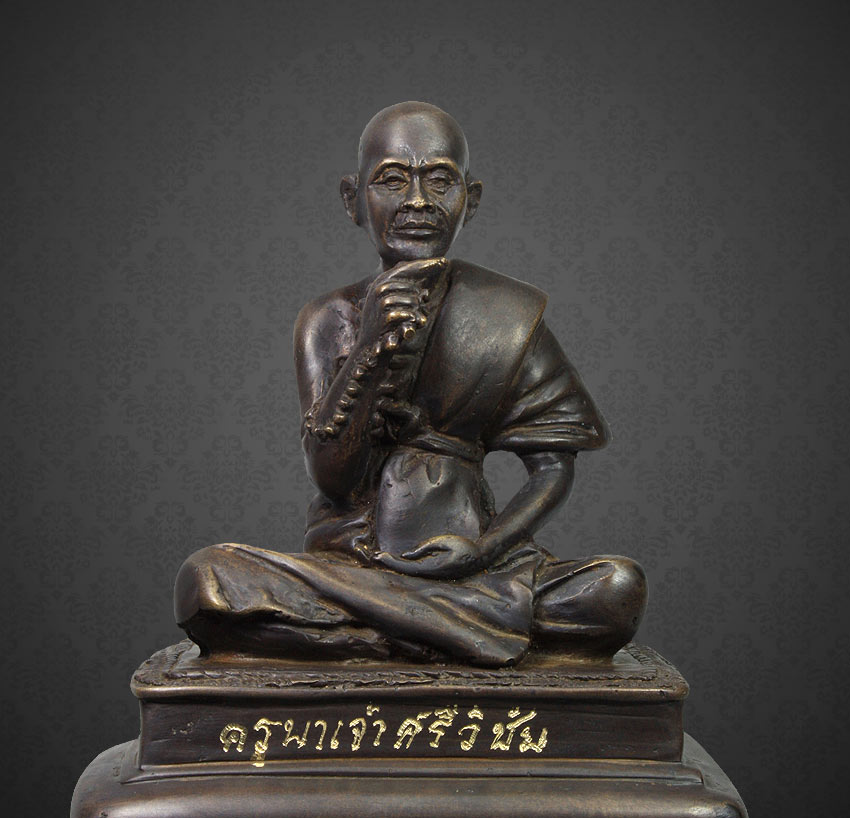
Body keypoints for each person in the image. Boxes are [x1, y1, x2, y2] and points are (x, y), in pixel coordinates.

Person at [175, 102, 647, 666]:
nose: (418, 201)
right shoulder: (328, 318)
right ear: (353, 199)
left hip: (478, 567)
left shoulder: (507, 314)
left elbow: (552, 467)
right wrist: (368, 347)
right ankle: (439, 634)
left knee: (615, 588)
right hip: (351, 564)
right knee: (207, 580)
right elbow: (333, 478)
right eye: (393, 180)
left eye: (440, 180)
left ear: (471, 199)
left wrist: (483, 550)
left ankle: (385, 634)